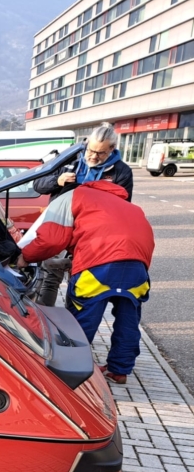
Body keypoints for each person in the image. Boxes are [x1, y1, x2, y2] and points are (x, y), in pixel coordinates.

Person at [17, 179, 154, 384]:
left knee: (82, 319)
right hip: (137, 267)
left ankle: (69, 368)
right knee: (129, 320)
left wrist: (26, 257)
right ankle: (119, 370)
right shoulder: (128, 205)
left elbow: (51, 239)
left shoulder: (70, 197)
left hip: (98, 264)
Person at [31, 123, 134, 307]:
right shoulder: (69, 159)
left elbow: (123, 207)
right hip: (61, 226)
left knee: (80, 281)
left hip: (91, 235)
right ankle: (45, 319)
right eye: (91, 150)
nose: (93, 156)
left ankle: (73, 322)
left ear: (112, 149)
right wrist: (57, 180)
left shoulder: (122, 171)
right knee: (50, 277)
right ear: (86, 144)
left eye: (100, 153)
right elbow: (38, 184)